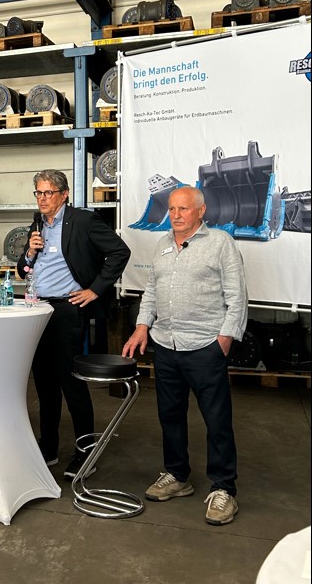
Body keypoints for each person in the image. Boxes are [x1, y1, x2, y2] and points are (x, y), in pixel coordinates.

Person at [122, 186, 247, 526]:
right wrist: (142, 326)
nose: (176, 215)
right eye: (172, 209)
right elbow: (151, 291)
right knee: (170, 415)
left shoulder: (220, 243)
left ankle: (224, 489)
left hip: (205, 345)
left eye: (184, 209)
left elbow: (237, 295)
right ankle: (177, 476)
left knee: (217, 421)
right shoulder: (162, 244)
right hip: (166, 345)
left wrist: (225, 338)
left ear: (201, 211)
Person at [17, 169, 130, 479]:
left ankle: (85, 453)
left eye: (48, 193)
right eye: (38, 193)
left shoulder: (83, 221)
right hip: (37, 309)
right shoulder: (38, 223)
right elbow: (23, 268)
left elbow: (120, 251)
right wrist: (30, 251)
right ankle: (48, 448)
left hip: (66, 311)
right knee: (44, 384)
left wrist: (95, 289)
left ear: (64, 194)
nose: (42, 199)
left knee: (71, 383)